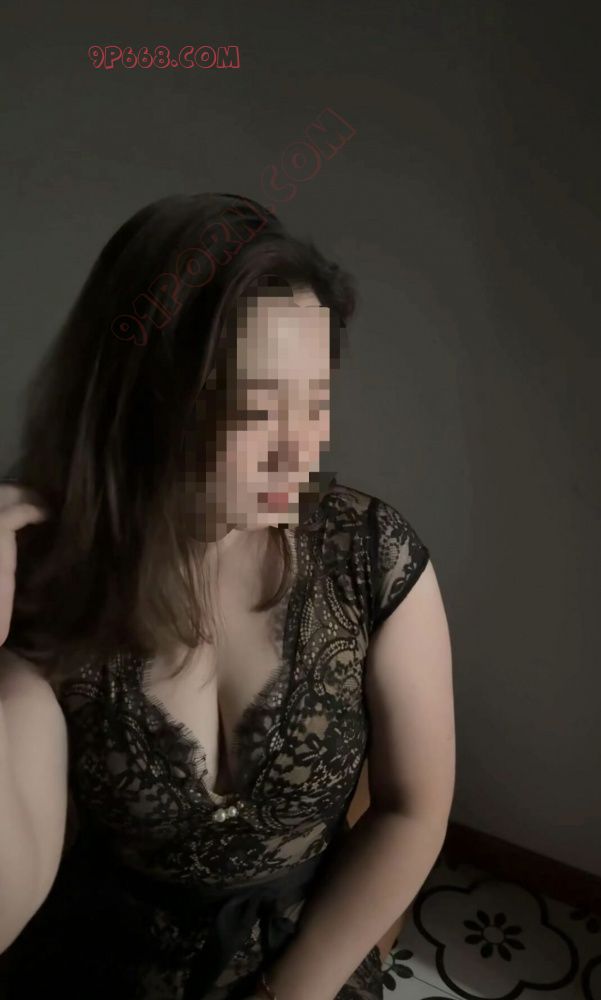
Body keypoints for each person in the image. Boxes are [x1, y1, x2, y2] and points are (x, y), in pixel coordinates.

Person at [0, 193, 454, 1000]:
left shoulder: (369, 558)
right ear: (140, 401)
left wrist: (291, 993)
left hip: (307, 960)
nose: (301, 448)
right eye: (255, 408)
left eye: (316, 401)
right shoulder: (52, 592)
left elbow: (411, 811)